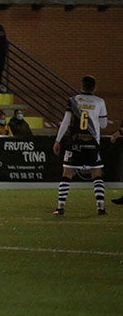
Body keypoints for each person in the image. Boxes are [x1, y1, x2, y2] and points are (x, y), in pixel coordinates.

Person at [52, 76, 108, 216]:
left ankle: (60, 207)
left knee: (67, 174)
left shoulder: (73, 100)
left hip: (75, 142)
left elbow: (66, 122)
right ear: (94, 87)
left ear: (81, 86)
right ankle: (100, 207)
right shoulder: (100, 102)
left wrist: (58, 140)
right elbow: (104, 124)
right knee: (97, 174)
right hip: (92, 143)